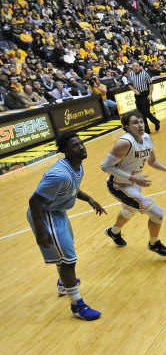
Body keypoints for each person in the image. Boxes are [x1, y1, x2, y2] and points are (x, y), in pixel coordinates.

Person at [27, 131, 106, 321]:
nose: (81, 147)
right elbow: (34, 201)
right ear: (65, 151)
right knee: (69, 260)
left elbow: (72, 188)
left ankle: (63, 284)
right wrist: (41, 231)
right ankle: (77, 306)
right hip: (46, 215)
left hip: (58, 212)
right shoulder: (58, 175)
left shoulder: (77, 166)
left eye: (81, 143)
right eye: (75, 145)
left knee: (65, 251)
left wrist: (89, 199)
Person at [100, 110, 166, 256]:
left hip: (134, 184)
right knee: (157, 214)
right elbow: (105, 166)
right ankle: (154, 243)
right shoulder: (124, 142)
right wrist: (134, 178)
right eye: (135, 122)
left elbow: (152, 161)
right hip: (118, 186)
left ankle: (113, 232)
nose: (140, 125)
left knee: (129, 211)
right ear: (127, 127)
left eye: (141, 121)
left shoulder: (147, 138)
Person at [128, 61, 161, 133]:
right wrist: (134, 90)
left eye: (137, 66)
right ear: (132, 67)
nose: (135, 67)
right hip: (137, 95)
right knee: (140, 114)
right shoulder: (130, 74)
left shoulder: (145, 74)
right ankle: (146, 130)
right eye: (134, 66)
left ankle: (156, 122)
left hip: (145, 94)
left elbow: (151, 84)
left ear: (140, 67)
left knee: (146, 112)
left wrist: (150, 94)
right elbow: (129, 84)